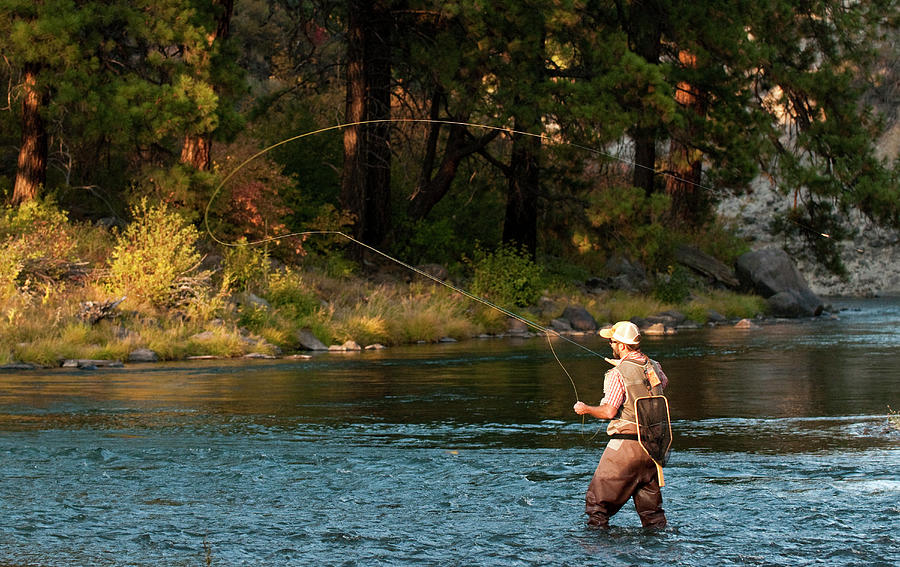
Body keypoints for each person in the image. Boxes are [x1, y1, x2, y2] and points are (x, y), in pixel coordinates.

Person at [573, 321, 669, 529]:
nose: (611, 345)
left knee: (596, 505)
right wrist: (629, 368)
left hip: (626, 448)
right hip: (653, 449)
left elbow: (609, 411)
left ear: (623, 346)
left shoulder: (617, 374)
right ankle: (657, 554)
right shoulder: (654, 366)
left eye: (612, 342)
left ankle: (597, 552)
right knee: (652, 514)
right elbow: (660, 384)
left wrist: (586, 409)